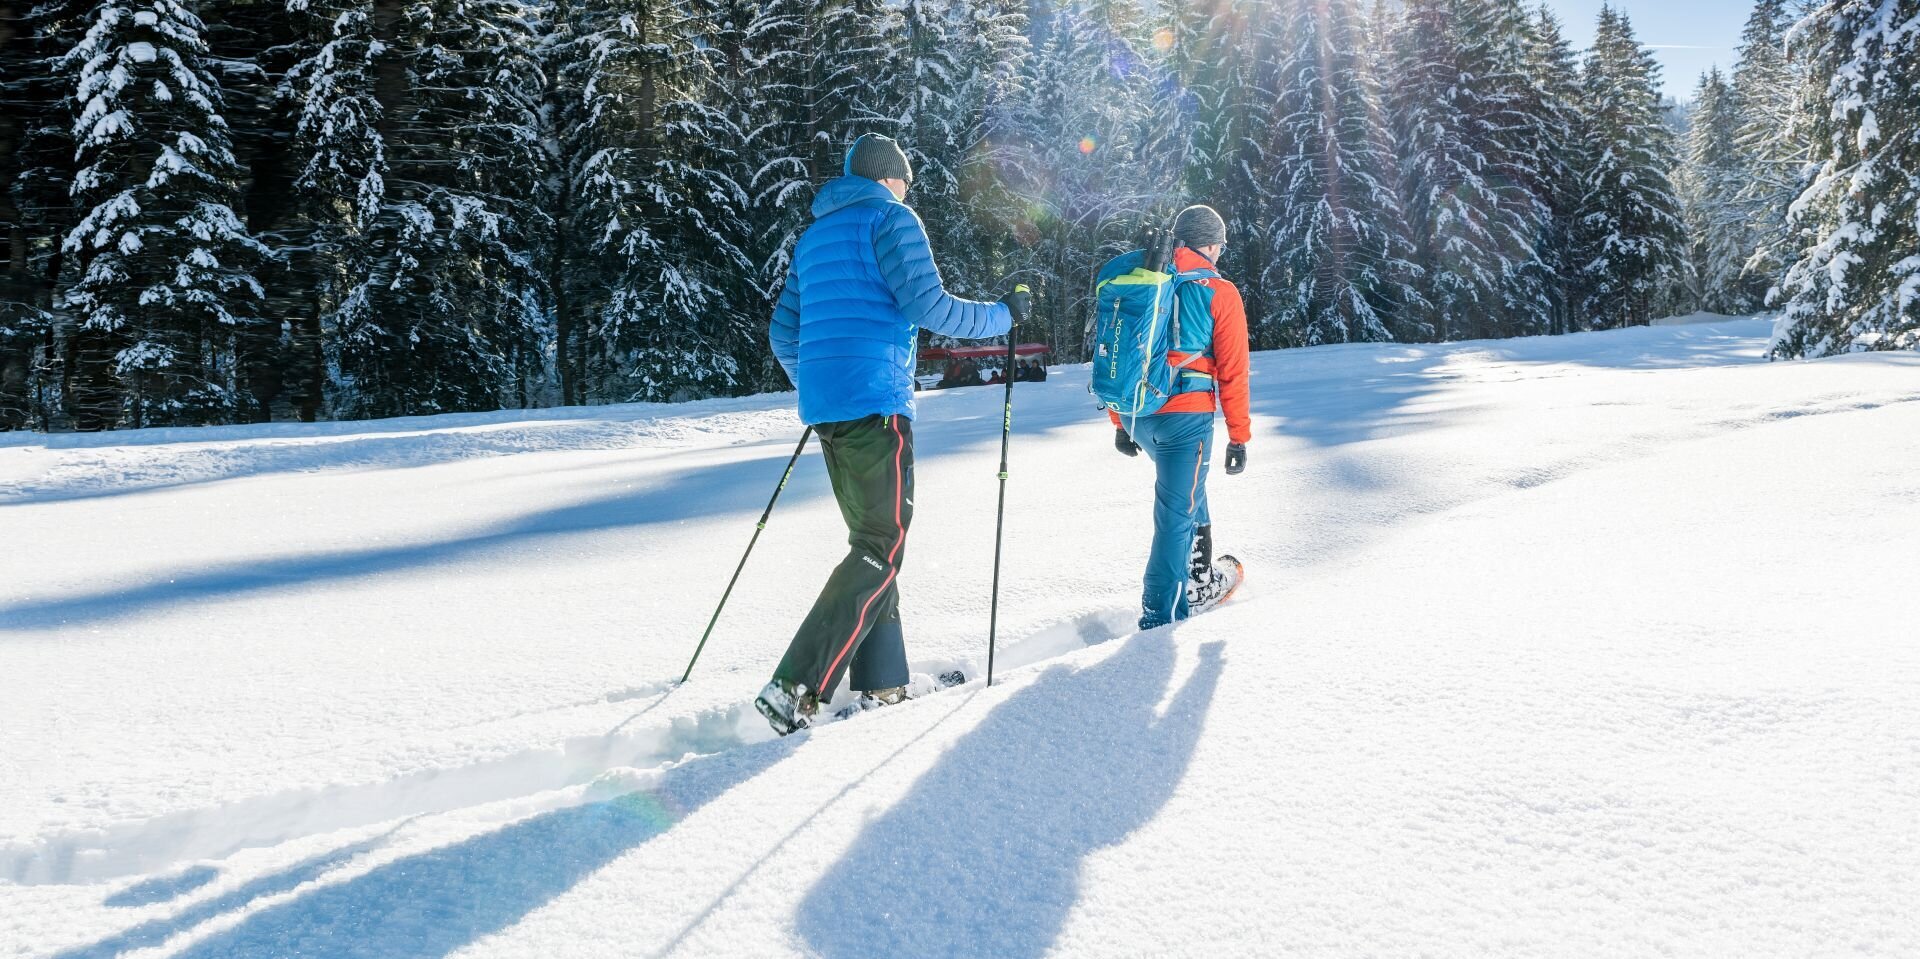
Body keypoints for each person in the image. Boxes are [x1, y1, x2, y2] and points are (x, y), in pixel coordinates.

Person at [759, 133, 1028, 734]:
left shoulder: (814, 236)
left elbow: (784, 335)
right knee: (883, 546)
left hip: (830, 413)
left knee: (872, 543)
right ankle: (795, 686)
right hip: (878, 410)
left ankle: (885, 684)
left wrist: (825, 381)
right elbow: (931, 307)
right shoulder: (892, 218)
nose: (909, 190)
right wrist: (1003, 313)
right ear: (890, 177)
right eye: (905, 179)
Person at [1109, 205, 1251, 630]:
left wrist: (1120, 422)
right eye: (1219, 246)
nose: (1219, 255)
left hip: (1138, 414)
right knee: (1175, 514)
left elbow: (1119, 351)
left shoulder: (1145, 278)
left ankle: (1199, 576)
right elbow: (1234, 371)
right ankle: (1162, 615)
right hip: (1183, 419)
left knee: (1189, 489)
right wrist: (1239, 437)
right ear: (1208, 244)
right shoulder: (1219, 290)